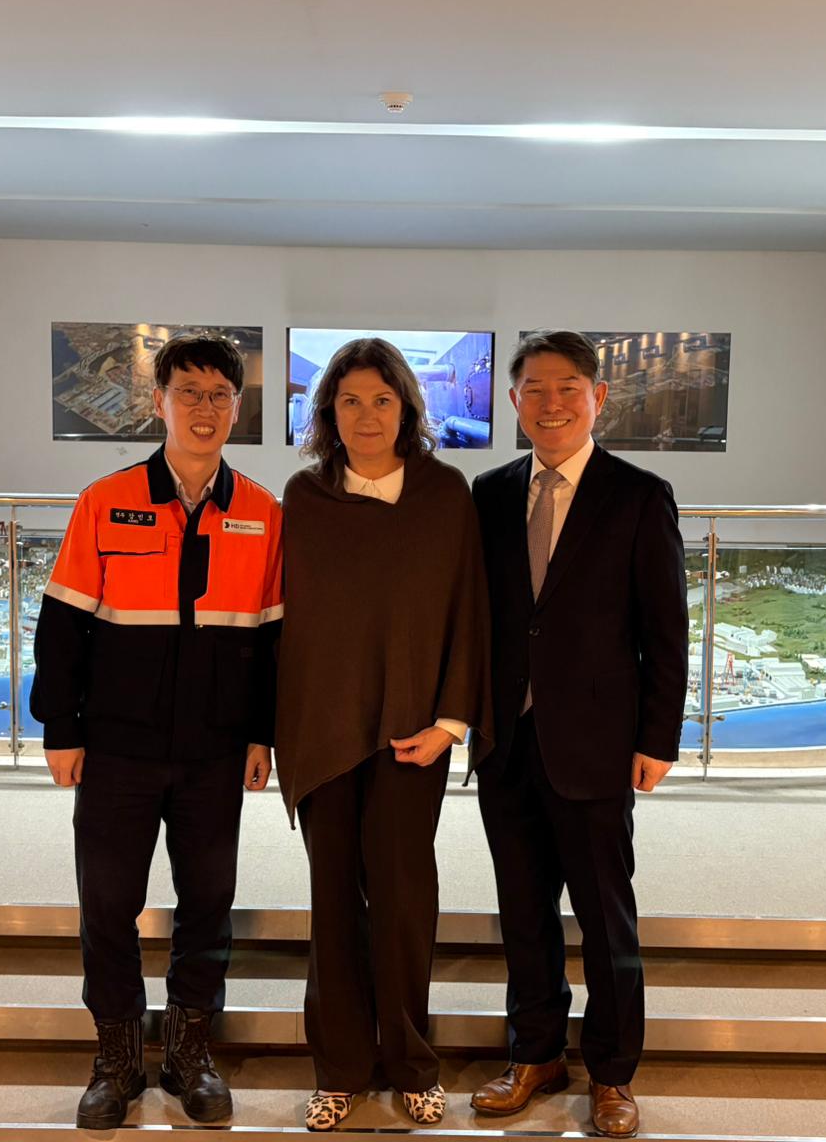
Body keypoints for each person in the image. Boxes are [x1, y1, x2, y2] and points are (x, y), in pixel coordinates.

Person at [30, 333, 283, 1130]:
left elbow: (274, 637)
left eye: (219, 395)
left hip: (216, 750)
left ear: (237, 409)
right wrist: (60, 728)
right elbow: (63, 626)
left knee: (208, 902)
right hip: (118, 747)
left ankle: (188, 1053)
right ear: (157, 403)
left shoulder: (263, 512)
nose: (204, 408)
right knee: (108, 904)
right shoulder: (105, 501)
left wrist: (263, 734)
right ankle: (116, 1059)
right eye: (188, 393)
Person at [470, 330, 688, 1138]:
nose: (551, 402)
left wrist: (658, 738)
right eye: (535, 388)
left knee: (605, 918)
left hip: (597, 741)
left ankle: (613, 1073)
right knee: (523, 912)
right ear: (514, 401)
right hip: (506, 742)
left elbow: (666, 629)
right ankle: (535, 1055)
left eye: (568, 387)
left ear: (598, 398)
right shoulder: (488, 493)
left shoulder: (639, 495)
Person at [273, 337, 492, 1132]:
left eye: (382, 400)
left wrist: (450, 722)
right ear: (328, 411)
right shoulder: (304, 497)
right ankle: (338, 1069)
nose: (366, 416)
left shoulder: (444, 494)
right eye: (350, 400)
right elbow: (282, 624)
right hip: (321, 731)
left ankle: (411, 1064)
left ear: (407, 407)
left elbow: (469, 608)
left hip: (413, 735)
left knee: (402, 902)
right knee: (332, 905)